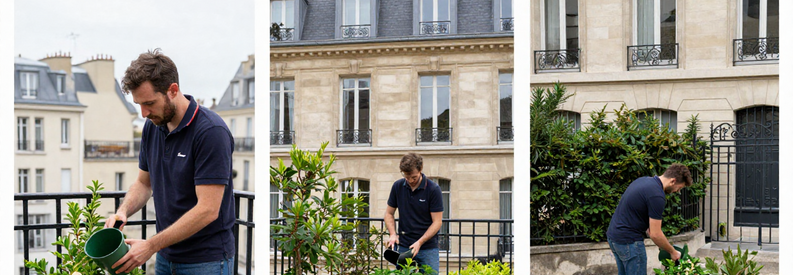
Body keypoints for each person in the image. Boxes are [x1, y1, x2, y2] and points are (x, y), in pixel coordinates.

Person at [104, 49, 236, 274]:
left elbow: (208, 210)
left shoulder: (211, 131)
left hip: (206, 261)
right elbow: (144, 183)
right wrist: (124, 210)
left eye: (149, 103)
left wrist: (150, 246)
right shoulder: (152, 126)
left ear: (172, 90)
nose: (144, 113)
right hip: (166, 258)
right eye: (139, 105)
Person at [606, 163, 693, 275]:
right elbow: (655, 234)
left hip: (615, 238)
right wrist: (673, 252)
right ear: (673, 181)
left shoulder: (644, 181)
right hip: (629, 242)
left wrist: (662, 245)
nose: (677, 191)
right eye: (679, 188)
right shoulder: (657, 195)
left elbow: (645, 224)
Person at [385, 153, 443, 274]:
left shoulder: (433, 189)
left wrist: (420, 242)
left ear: (420, 170)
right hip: (405, 246)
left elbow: (437, 222)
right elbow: (389, 214)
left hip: (428, 248)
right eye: (407, 177)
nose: (410, 180)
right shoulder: (397, 186)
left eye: (414, 177)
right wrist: (392, 234)